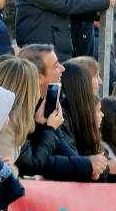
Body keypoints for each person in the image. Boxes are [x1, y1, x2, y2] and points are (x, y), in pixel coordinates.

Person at [15, 44, 101, 182]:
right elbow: (34, 164)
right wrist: (50, 129)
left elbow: (63, 149)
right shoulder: (17, 107)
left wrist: (89, 167)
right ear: (39, 77)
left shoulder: (44, 103)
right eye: (55, 66)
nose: (62, 68)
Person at [60, 62, 116, 182]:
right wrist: (108, 169)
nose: (100, 81)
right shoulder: (62, 118)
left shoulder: (78, 122)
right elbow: (72, 162)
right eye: (95, 76)